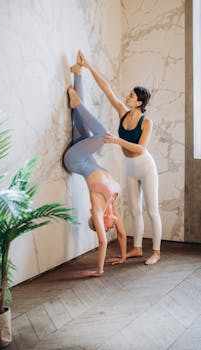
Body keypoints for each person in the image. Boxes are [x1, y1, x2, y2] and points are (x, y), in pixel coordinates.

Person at [78, 50, 162, 265]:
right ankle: (136, 248)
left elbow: (141, 148)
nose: (127, 97)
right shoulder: (123, 112)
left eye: (132, 96)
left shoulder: (146, 122)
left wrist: (117, 141)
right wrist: (88, 66)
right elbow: (107, 89)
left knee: (151, 210)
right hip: (130, 166)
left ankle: (156, 252)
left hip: (145, 166)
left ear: (139, 102)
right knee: (134, 210)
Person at [62, 56, 126, 277]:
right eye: (109, 227)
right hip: (83, 153)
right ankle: (77, 72)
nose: (108, 228)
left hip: (75, 160)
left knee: (103, 135)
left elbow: (102, 242)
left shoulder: (97, 209)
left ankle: (76, 102)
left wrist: (99, 271)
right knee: (80, 120)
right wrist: (124, 256)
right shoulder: (112, 205)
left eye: (105, 227)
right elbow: (122, 235)